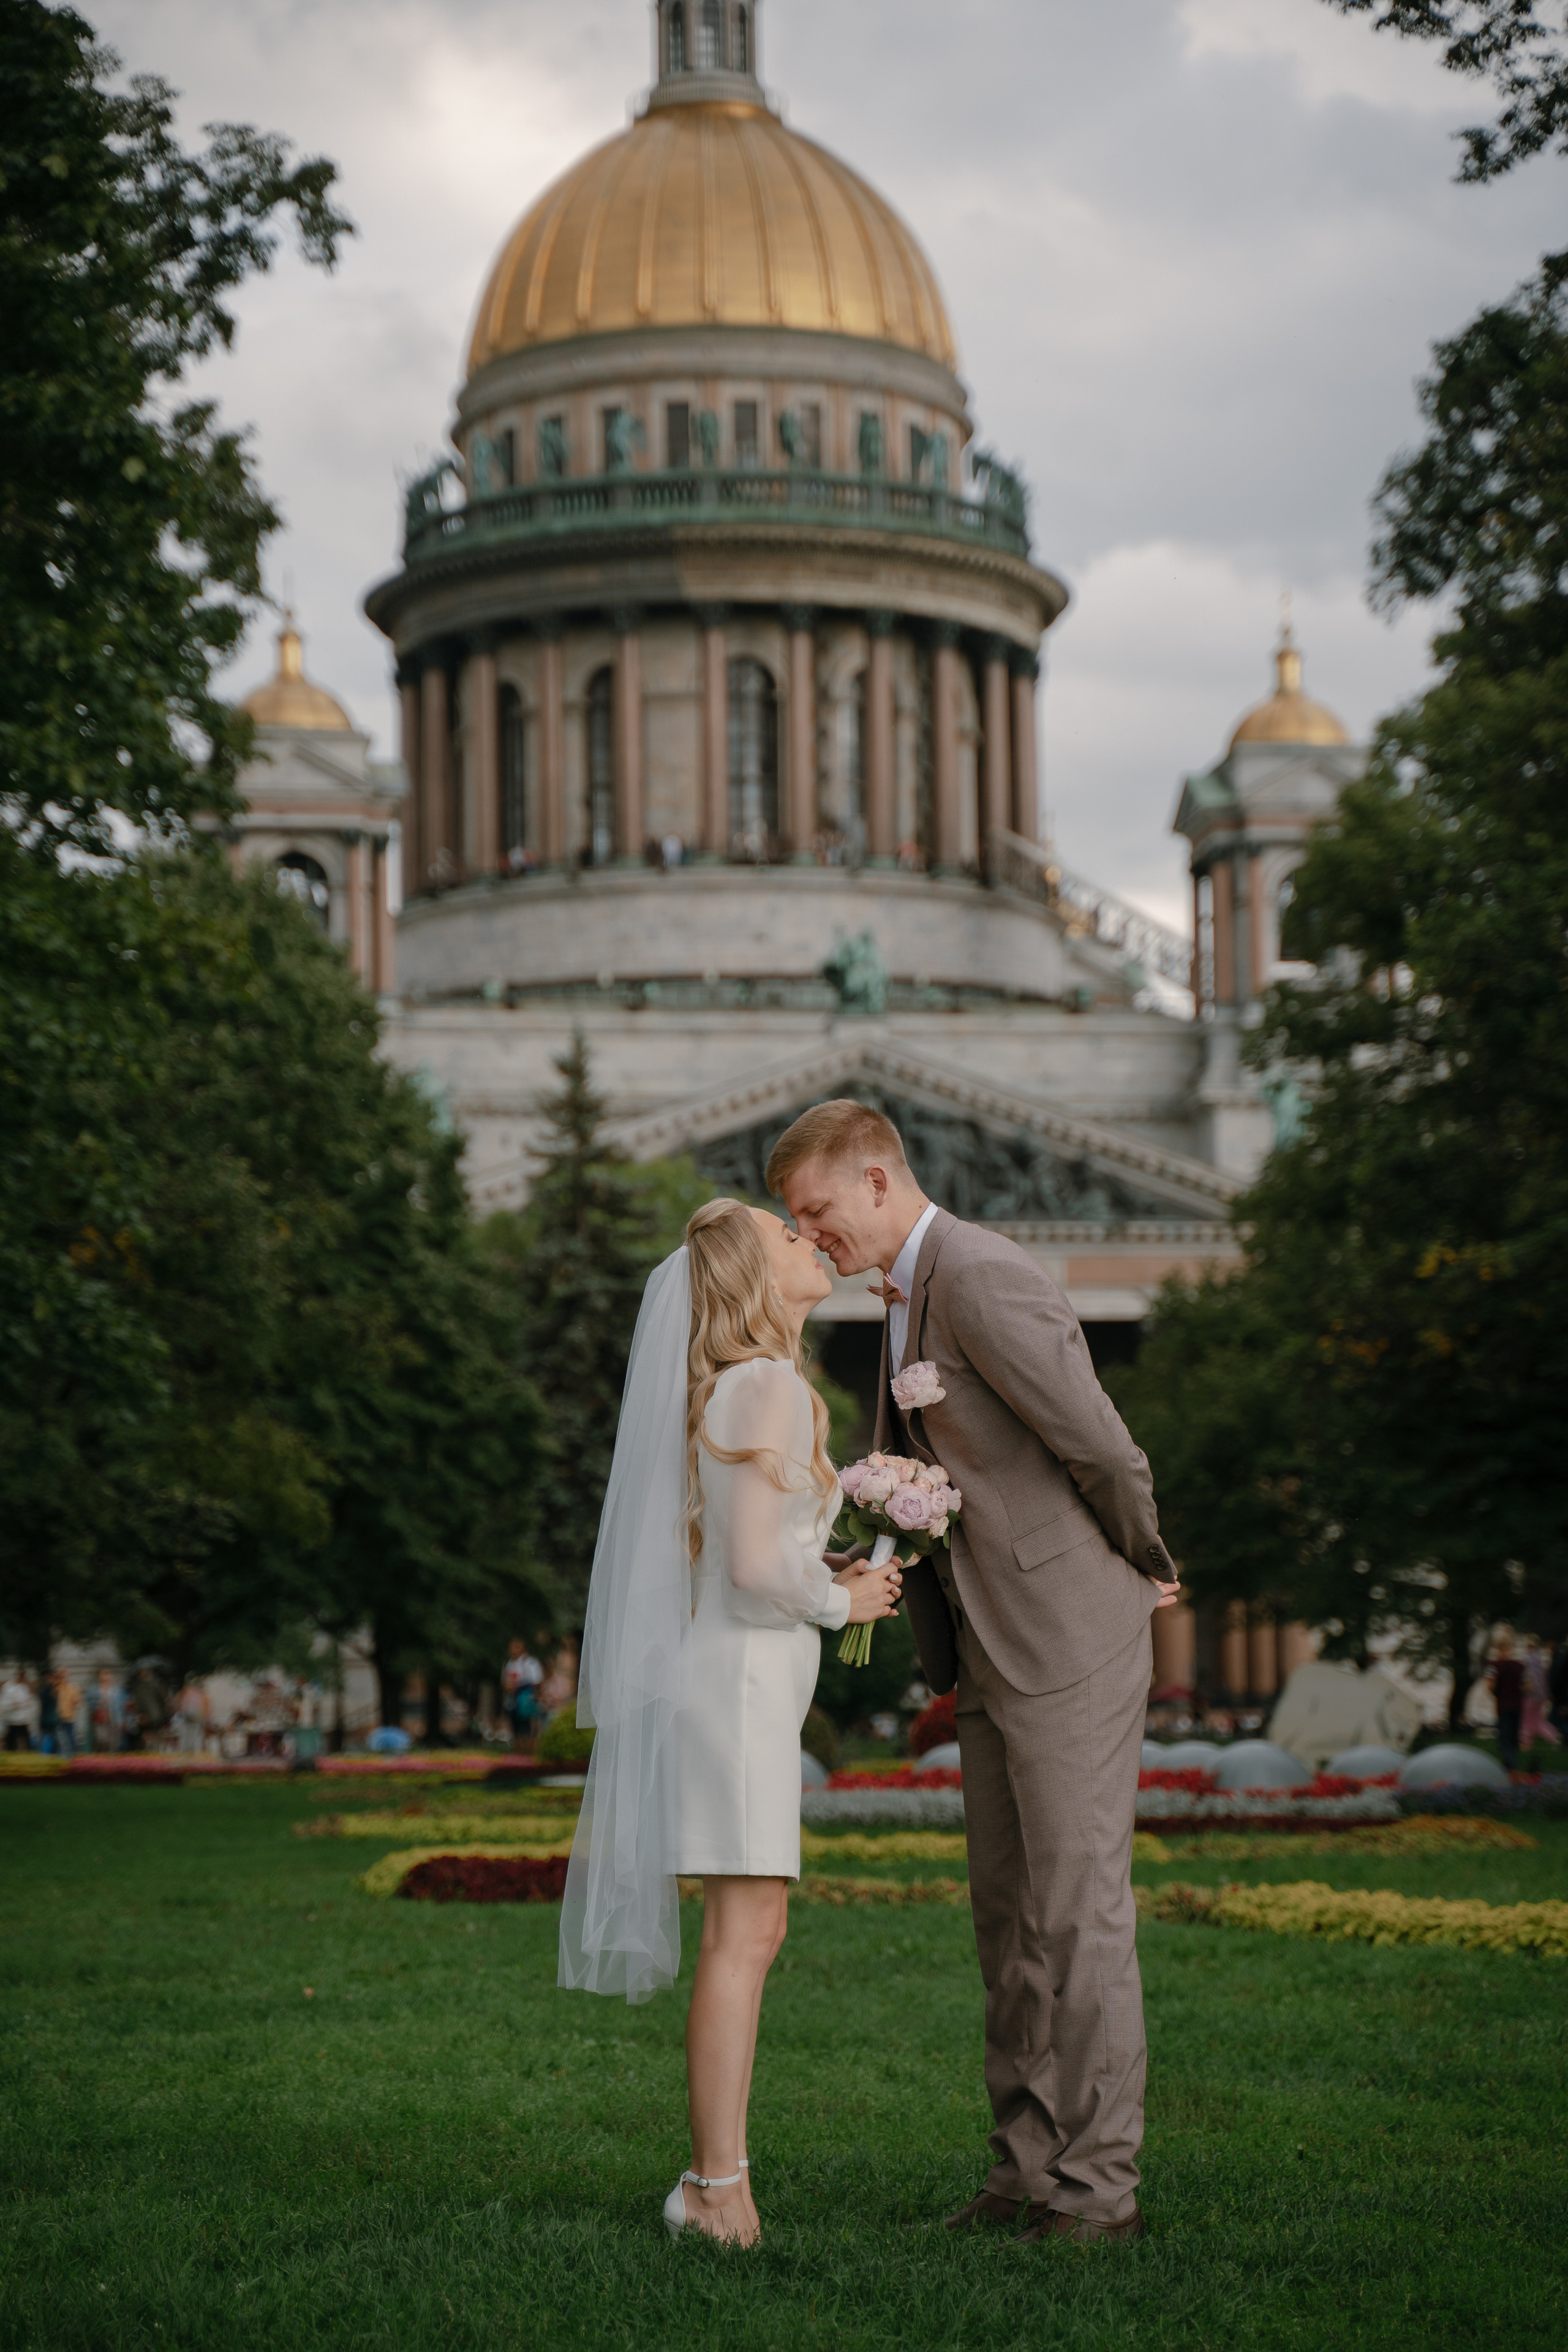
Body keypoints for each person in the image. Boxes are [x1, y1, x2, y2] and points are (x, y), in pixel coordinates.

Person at [771, 1100, 1182, 2248]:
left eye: (817, 1212)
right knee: (1008, 1921)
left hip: (1068, 1635)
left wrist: (1147, 1560)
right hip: (989, 1644)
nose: (811, 1237)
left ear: (877, 1179)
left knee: (1078, 1916)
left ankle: (1099, 2195)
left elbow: (1100, 1446)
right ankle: (1023, 2172)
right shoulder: (902, 1296)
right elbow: (949, 1470)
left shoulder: (984, 1275)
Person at [558, 1197, 901, 2246]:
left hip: (740, 1681)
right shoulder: (769, 1388)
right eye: (787, 1235)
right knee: (742, 1940)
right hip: (739, 1691)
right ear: (755, 1277)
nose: (810, 1238)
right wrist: (843, 1601)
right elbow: (754, 1571)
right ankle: (713, 2190)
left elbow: (744, 1552)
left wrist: (824, 1564)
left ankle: (714, 2182)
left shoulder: (744, 1387)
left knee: (751, 1932)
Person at [1488, 1634, 1525, 1771]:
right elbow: (1528, 1686)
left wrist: (1495, 1693)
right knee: (1514, 1733)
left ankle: (1509, 1761)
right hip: (1517, 1703)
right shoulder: (1520, 1666)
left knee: (1505, 1733)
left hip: (1503, 1704)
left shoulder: (1494, 1666)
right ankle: (1513, 1760)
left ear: (1498, 1649)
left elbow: (1490, 1685)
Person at [502, 1639, 544, 1747]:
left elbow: (537, 1681)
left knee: (527, 1727)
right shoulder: (509, 1664)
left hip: (525, 1699)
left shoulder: (530, 1663)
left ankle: (527, 1750)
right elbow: (504, 1681)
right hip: (512, 1699)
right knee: (515, 1726)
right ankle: (517, 1749)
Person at [0, 1668, 36, 1752]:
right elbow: (4, 1703)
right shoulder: (8, 1687)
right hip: (11, 1720)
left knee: (26, 1739)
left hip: (23, 1720)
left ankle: (27, 1752)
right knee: (11, 1741)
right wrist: (14, 1705)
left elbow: (29, 1701)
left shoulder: (24, 1687)